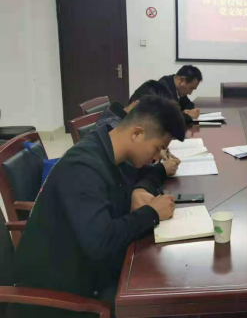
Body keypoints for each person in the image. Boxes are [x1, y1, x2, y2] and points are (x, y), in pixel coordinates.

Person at [12, 96, 185, 318]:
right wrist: (151, 213)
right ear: (137, 134)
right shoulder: (83, 167)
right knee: (162, 300)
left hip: (89, 269)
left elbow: (146, 175)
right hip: (61, 296)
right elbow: (100, 243)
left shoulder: (114, 152)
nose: (156, 157)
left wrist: (141, 191)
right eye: (157, 148)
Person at [97, 80, 180, 176]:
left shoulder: (120, 118)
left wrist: (156, 149)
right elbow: (127, 173)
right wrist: (161, 169)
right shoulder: (112, 128)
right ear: (137, 106)